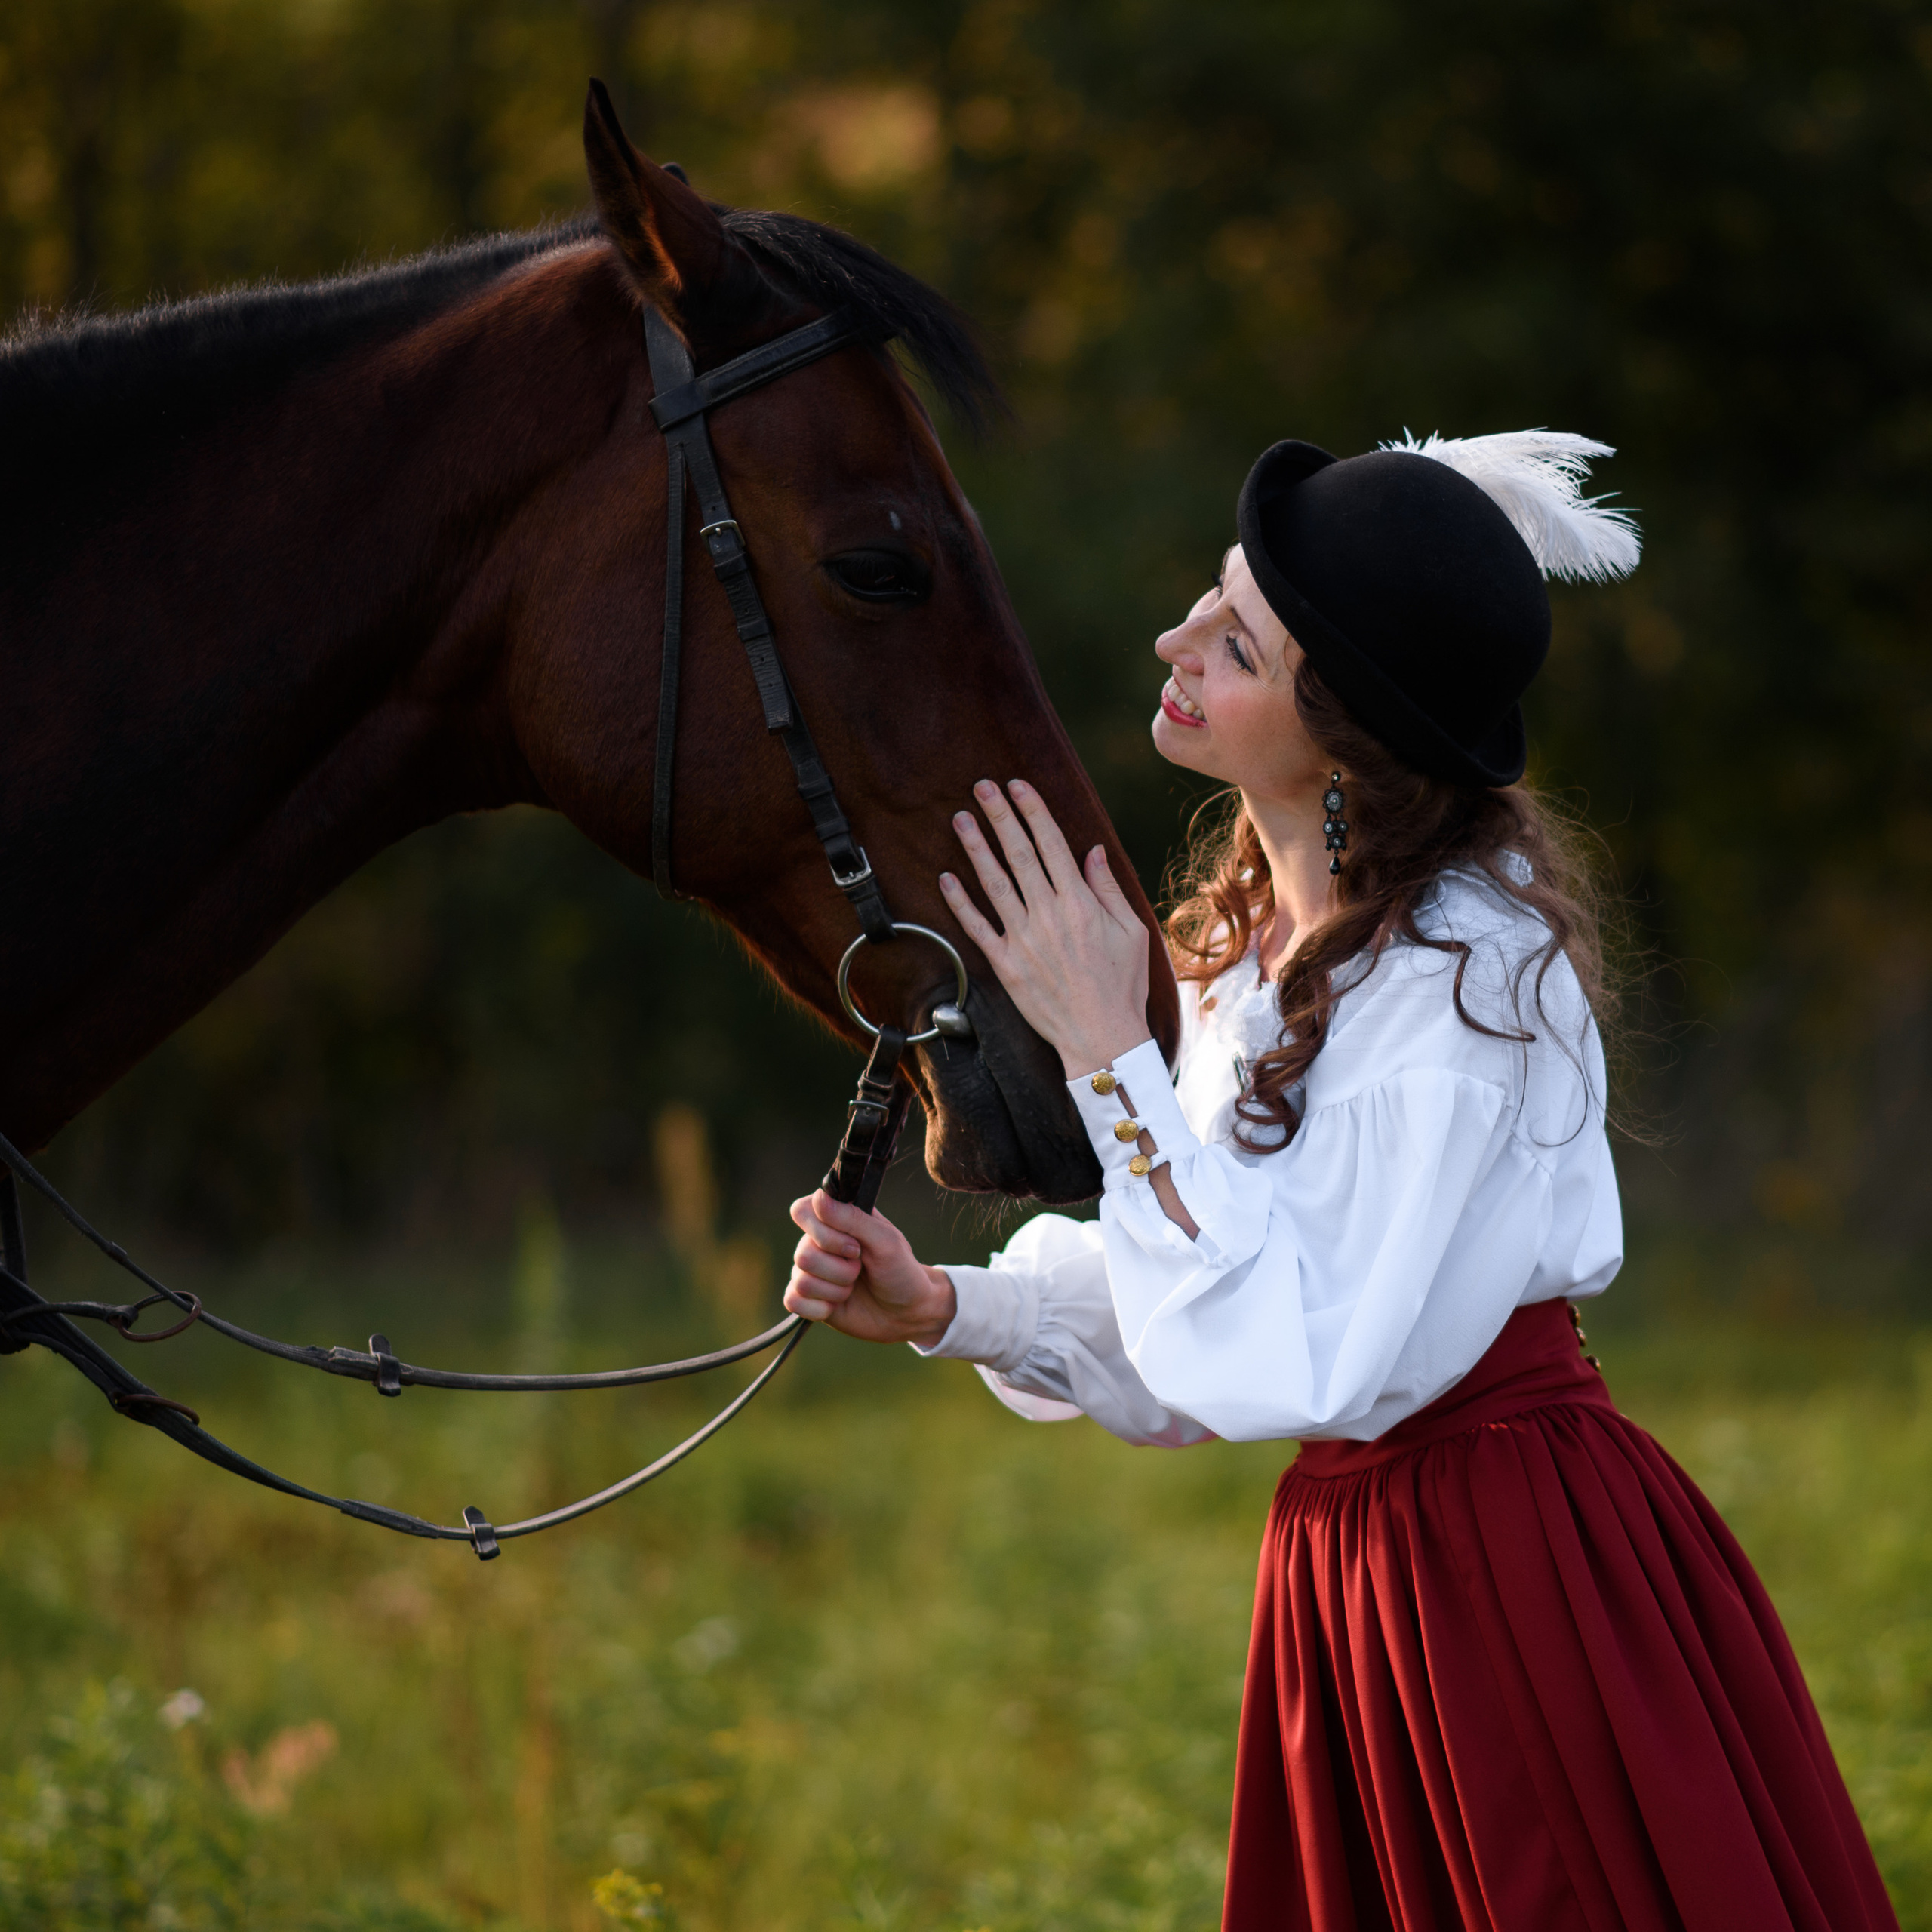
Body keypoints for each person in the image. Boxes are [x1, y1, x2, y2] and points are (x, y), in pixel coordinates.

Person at [783, 431, 1897, 1931]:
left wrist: (1107, 1050)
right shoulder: (1255, 939)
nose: (1174, 639)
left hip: (1504, 1569)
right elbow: (1227, 1287)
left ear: (1339, 728)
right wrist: (947, 1302)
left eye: (1232, 638)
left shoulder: (1458, 973)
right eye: (1206, 598)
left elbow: (1304, 1343)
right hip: (1356, 1575)